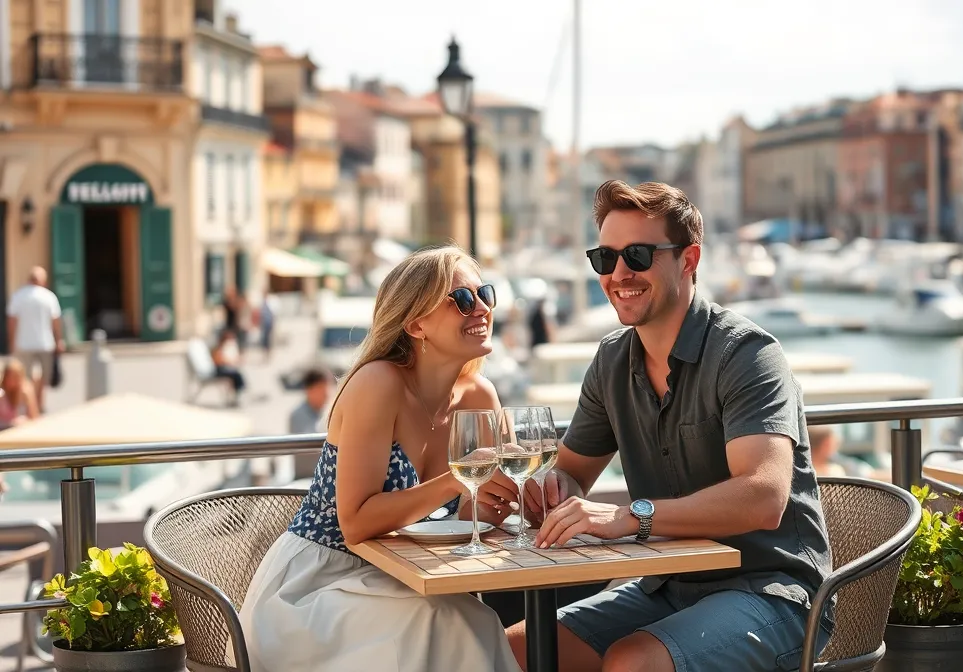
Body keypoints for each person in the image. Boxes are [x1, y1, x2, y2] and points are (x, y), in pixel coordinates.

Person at [509, 180, 834, 672]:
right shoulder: (611, 361)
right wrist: (538, 490)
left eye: (638, 255)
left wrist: (629, 516)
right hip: (668, 587)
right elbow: (570, 474)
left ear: (688, 259)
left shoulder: (747, 355)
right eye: (605, 258)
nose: (619, 273)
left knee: (632, 663)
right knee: (511, 650)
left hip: (774, 596)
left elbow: (764, 496)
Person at [237, 245, 522, 672]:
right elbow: (355, 523)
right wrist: (453, 480)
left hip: (407, 580)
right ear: (416, 324)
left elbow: (472, 513)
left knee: (464, 618)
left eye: (486, 294)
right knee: (457, 622)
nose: (481, 308)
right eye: (463, 300)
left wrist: (506, 496)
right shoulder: (378, 383)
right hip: (321, 587)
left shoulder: (480, 397)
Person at [7, 267, 63, 413]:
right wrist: (59, 340)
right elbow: (55, 321)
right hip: (45, 343)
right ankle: (37, 405)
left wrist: (12, 342)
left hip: (23, 344)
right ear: (43, 281)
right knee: (42, 378)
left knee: (25, 378)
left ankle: (28, 406)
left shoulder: (18, 296)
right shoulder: (49, 296)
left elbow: (12, 321)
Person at [289, 368, 332, 480]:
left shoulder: (326, 412)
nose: (326, 394)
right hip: (306, 478)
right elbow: (309, 447)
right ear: (309, 390)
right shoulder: (297, 415)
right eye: (321, 389)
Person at [0, 358, 39, 430]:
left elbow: (34, 417)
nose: (11, 381)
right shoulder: (2, 394)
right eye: (9, 377)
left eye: (15, 378)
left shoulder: (25, 393)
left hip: (21, 431)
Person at [210, 330, 245, 406]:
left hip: (223, 369)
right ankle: (239, 390)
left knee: (236, 374)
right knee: (236, 374)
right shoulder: (218, 349)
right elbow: (219, 361)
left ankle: (238, 391)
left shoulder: (223, 348)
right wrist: (229, 361)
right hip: (219, 370)